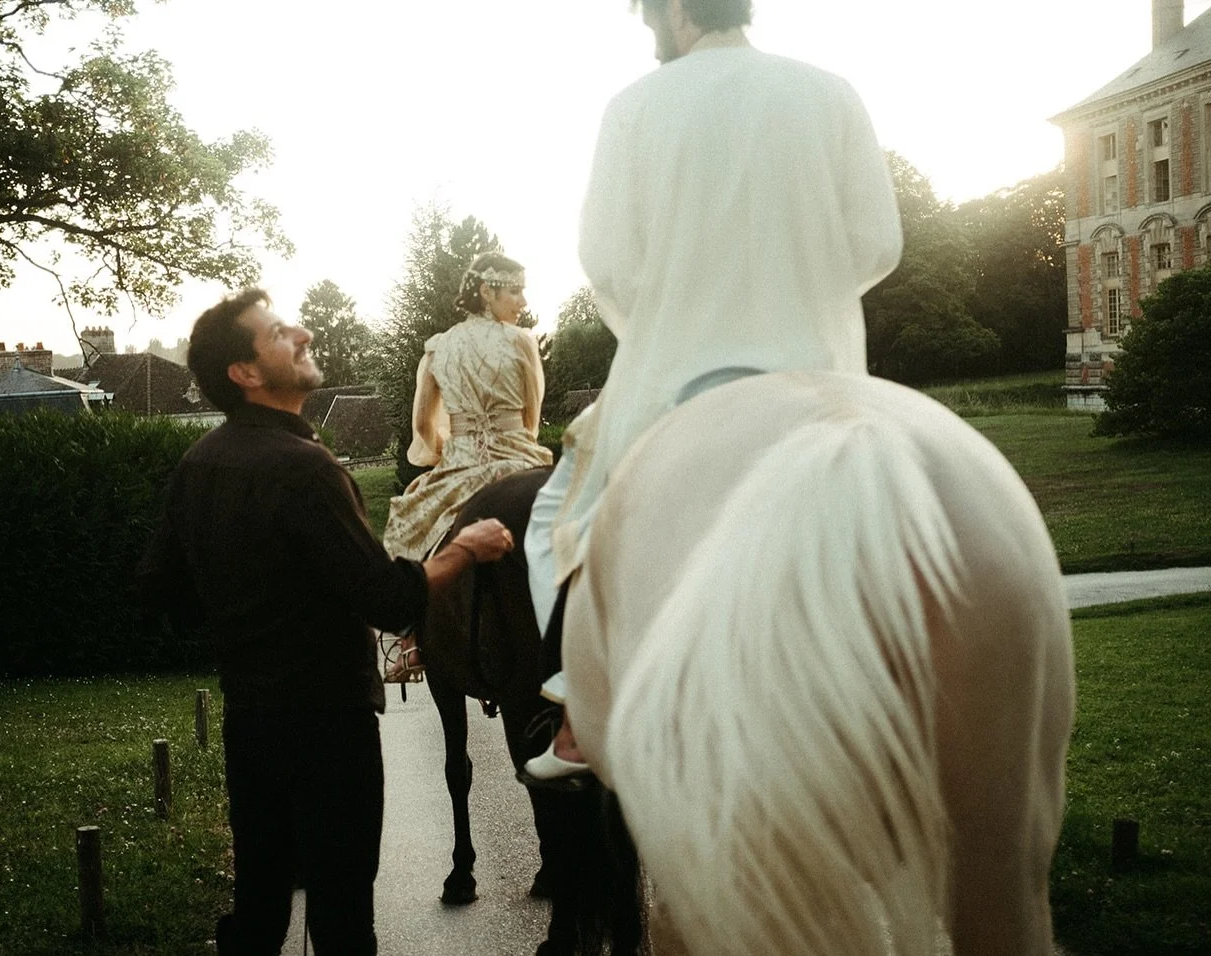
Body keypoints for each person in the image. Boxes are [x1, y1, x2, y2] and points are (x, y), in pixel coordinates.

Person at [522, 0, 903, 782]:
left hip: (677, 381)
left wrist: (671, 316)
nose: (644, 28)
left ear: (671, 10)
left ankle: (582, 711)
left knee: (555, 516)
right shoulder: (830, 91)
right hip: (822, 375)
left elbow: (611, 265)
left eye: (645, 12)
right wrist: (803, 293)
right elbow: (878, 245)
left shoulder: (633, 106)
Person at [137, 288, 515, 956]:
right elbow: (389, 599)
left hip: (250, 721)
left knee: (258, 911)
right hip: (329, 730)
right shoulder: (305, 468)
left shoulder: (200, 463)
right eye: (280, 333)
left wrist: (250, 622)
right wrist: (464, 547)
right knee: (342, 917)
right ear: (245, 374)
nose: (304, 333)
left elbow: (167, 594)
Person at [379, 251, 554, 682]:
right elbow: (531, 417)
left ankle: (412, 641)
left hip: (461, 463)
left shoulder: (438, 348)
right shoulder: (522, 342)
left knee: (407, 525)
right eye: (515, 291)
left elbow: (422, 424)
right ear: (486, 291)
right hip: (520, 457)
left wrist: (442, 455)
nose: (523, 302)